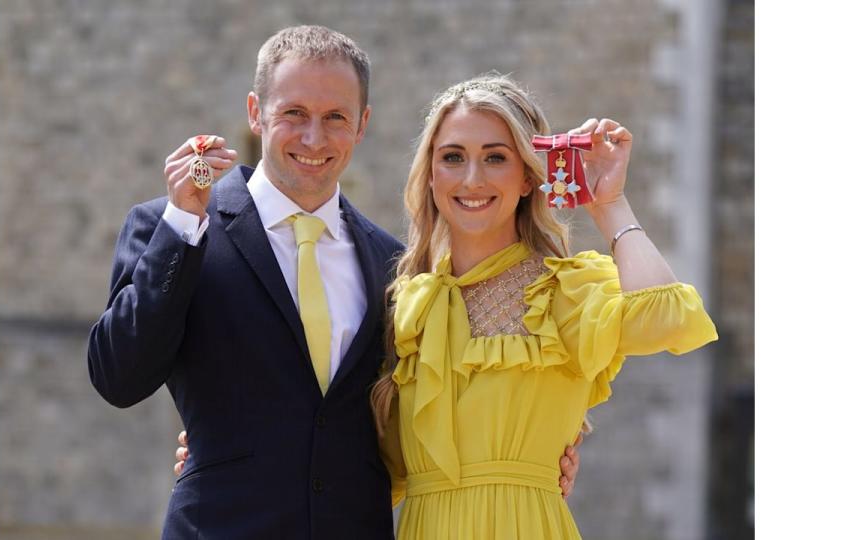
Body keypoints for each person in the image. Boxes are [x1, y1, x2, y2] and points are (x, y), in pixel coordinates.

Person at [88, 27, 581, 539]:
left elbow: (434, 401)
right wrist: (183, 224)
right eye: (294, 114)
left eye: (335, 118)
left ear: (362, 124)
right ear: (256, 113)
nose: (314, 139)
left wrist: (546, 454)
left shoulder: (396, 265)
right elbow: (119, 377)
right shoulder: (174, 228)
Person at [363, 74, 719, 539]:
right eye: (453, 157)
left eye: (495, 158)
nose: (473, 179)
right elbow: (372, 474)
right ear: (431, 174)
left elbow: (670, 319)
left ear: (530, 176)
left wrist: (609, 204)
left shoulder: (564, 291)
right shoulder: (405, 306)